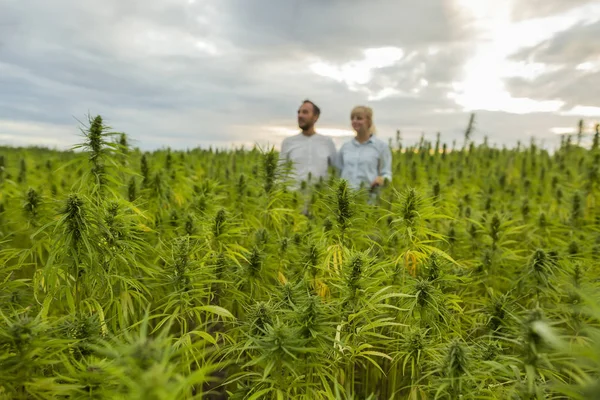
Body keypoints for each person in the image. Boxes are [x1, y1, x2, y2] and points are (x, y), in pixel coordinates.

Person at [336, 106, 392, 199]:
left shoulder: (381, 147)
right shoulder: (346, 147)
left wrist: (381, 179)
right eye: (352, 118)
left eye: (359, 118)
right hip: (345, 199)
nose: (354, 121)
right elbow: (338, 171)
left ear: (369, 121)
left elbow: (386, 173)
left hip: (368, 199)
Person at [279, 99, 337, 188]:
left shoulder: (327, 142)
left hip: (319, 198)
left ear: (316, 117)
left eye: (305, 112)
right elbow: (280, 173)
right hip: (293, 199)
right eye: (299, 112)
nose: (300, 115)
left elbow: (336, 172)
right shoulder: (288, 142)